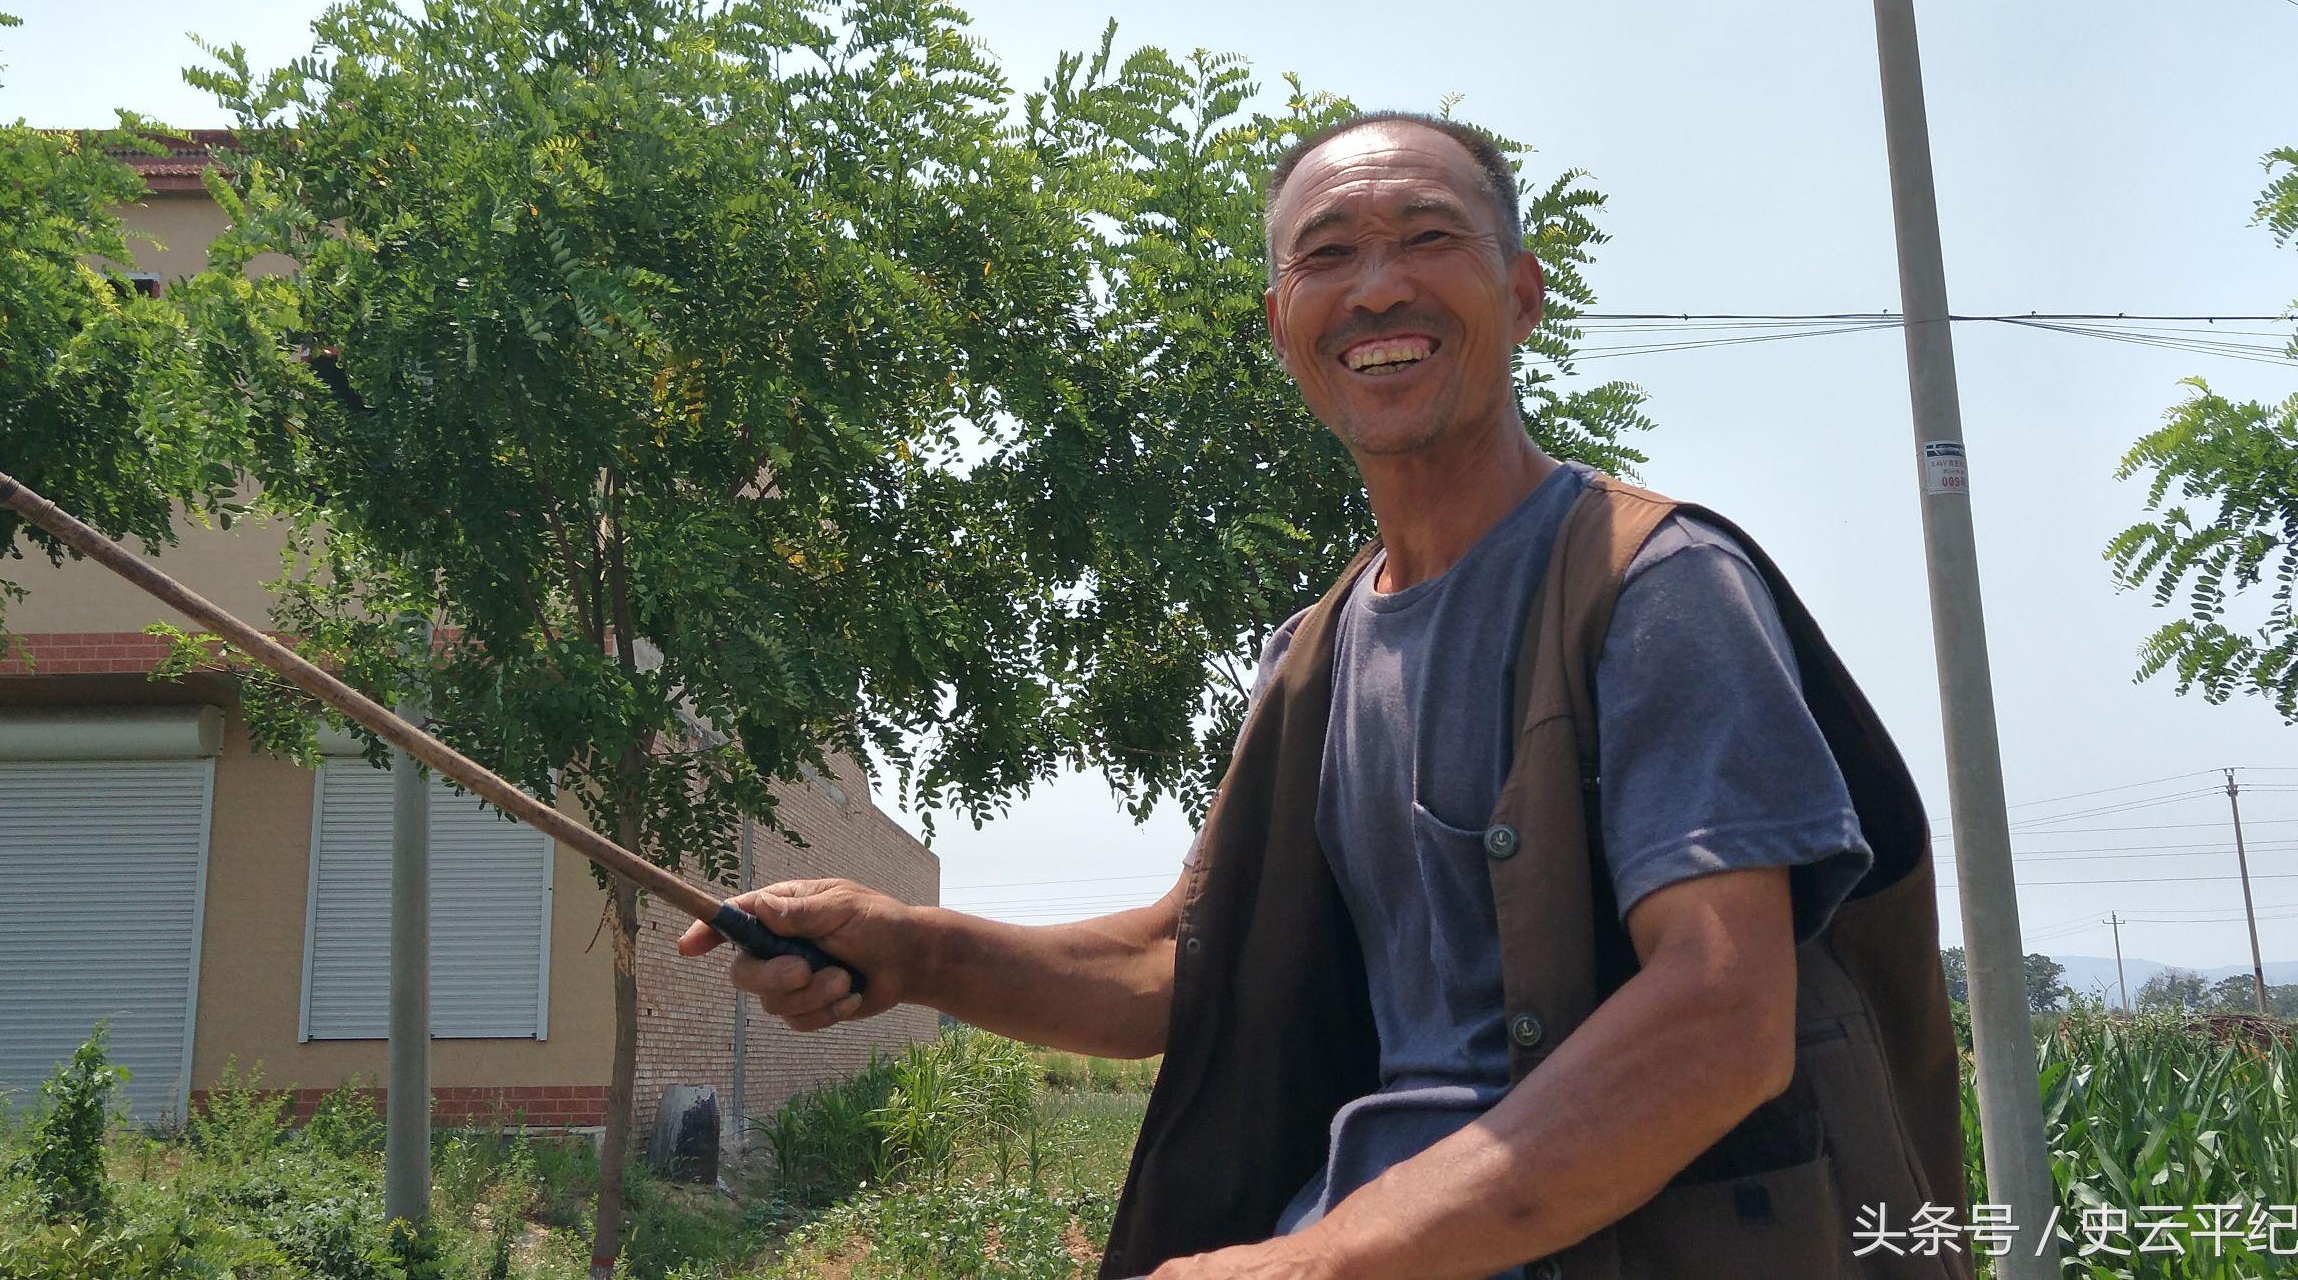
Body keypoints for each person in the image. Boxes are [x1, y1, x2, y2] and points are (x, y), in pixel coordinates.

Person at [678, 113, 1964, 1280]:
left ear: (1520, 295)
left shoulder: (1656, 583)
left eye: (1425, 238)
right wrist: (912, 949)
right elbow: (1186, 964)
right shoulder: (1317, 651)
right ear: (1281, 321)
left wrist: (1321, 1262)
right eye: (1328, 252)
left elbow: (1720, 1016)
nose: (1377, 285)